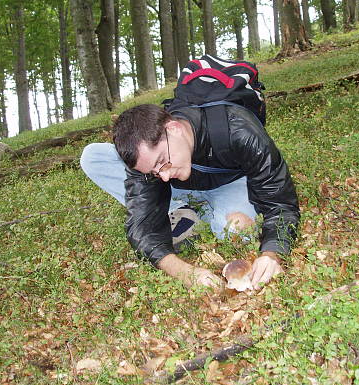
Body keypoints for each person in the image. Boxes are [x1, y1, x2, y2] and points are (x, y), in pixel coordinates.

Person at [80, 103, 299, 289]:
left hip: (230, 183)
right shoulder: (151, 163)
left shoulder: (239, 129)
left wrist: (272, 255)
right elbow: (142, 227)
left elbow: (280, 203)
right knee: (92, 156)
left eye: (161, 162)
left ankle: (191, 212)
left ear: (174, 128)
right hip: (183, 185)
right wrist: (186, 272)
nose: (163, 177)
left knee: (238, 229)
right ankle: (184, 209)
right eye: (155, 172)